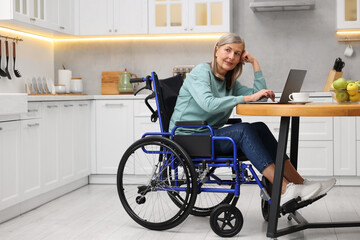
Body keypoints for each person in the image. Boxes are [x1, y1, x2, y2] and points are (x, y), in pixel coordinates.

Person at [168, 32, 336, 205]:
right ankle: (284, 188)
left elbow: (259, 96)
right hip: (188, 137)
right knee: (243, 131)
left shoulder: (229, 81)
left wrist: (255, 63)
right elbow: (208, 104)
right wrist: (247, 98)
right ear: (216, 50)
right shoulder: (201, 71)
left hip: (208, 134)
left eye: (237, 53)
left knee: (259, 128)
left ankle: (300, 183)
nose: (232, 56)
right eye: (228, 50)